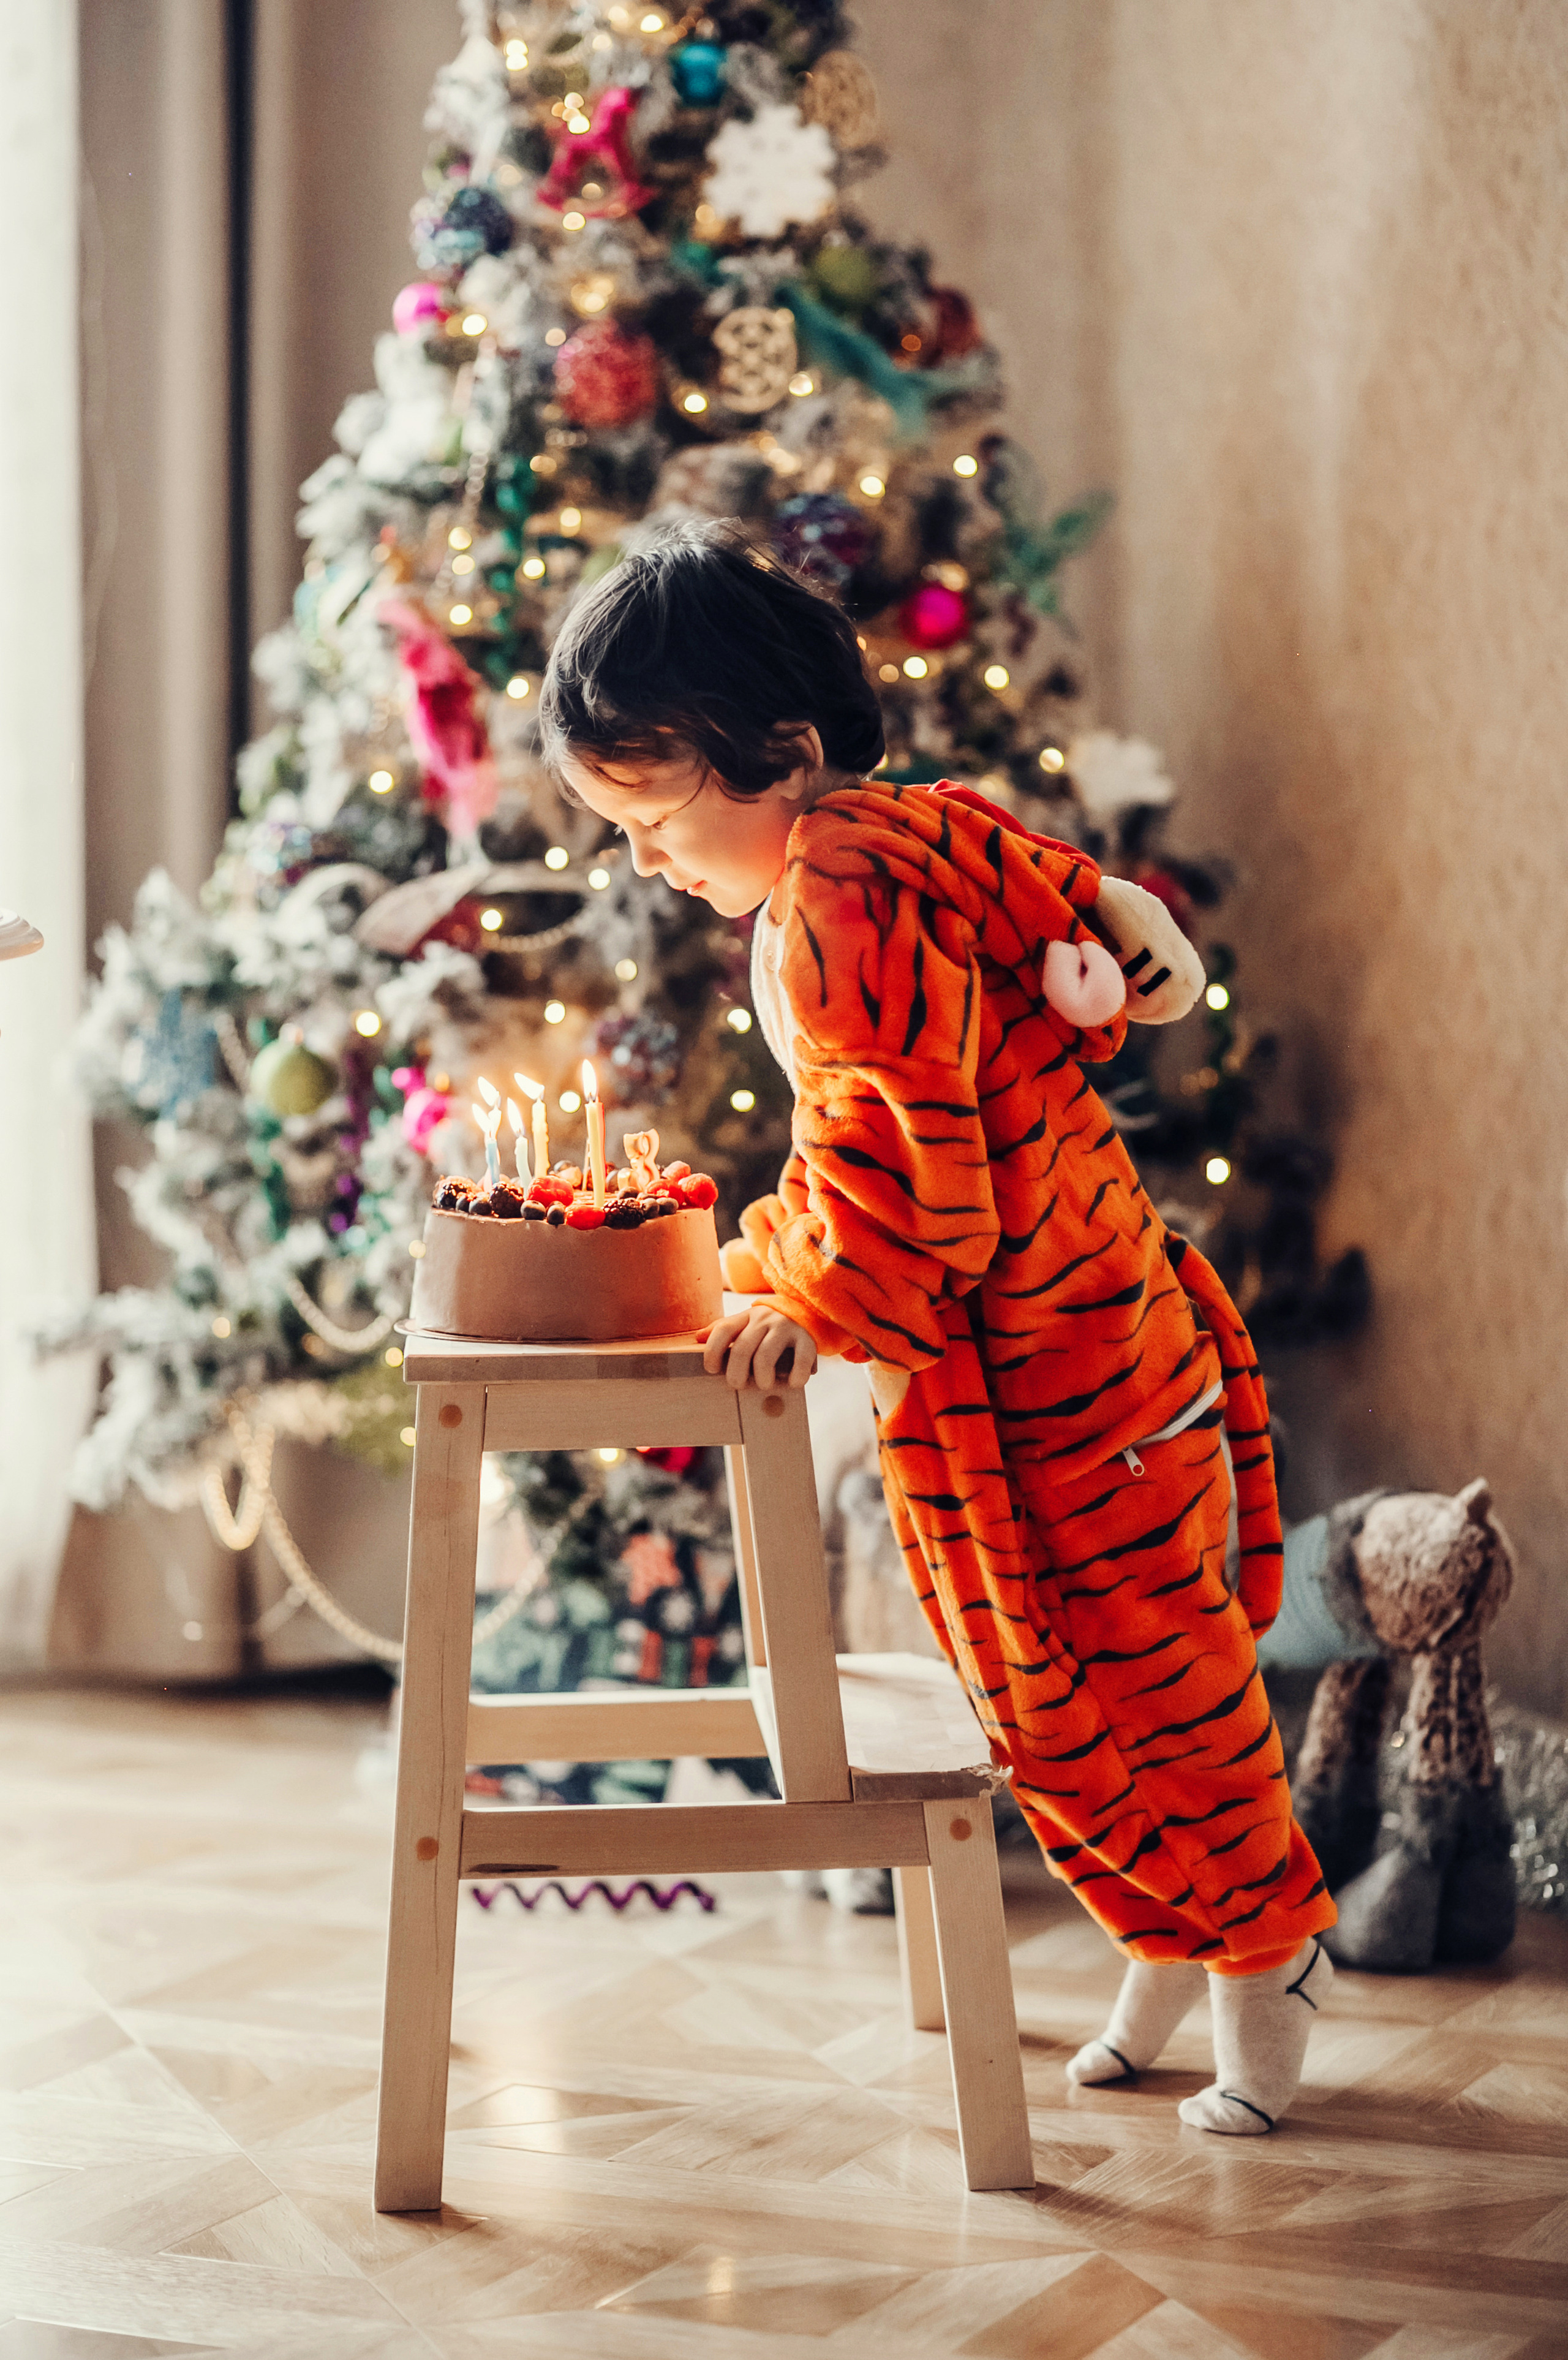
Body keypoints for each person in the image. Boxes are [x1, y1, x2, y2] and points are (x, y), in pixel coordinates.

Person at [538, 522, 1336, 2138]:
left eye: (652, 810)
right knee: (1050, 1696)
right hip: (1088, 1347)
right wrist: (777, 1258)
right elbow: (1022, 906)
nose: (642, 859)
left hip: (1075, 1377)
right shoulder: (893, 838)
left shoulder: (837, 902)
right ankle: (1170, 1953)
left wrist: (809, 1302)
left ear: (780, 751)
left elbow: (921, 1184)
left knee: (1154, 1690)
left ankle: (1272, 1961)